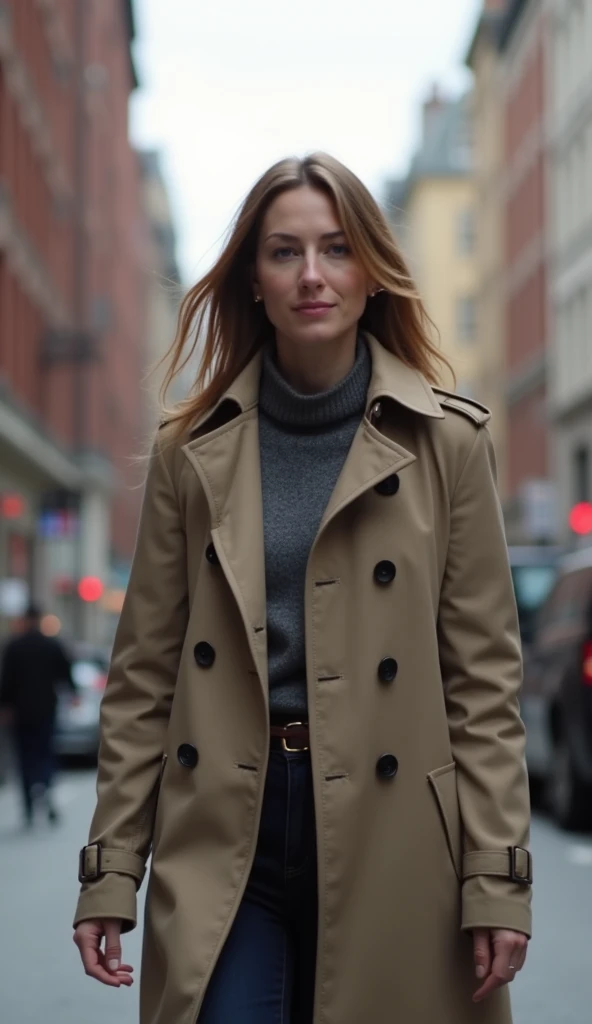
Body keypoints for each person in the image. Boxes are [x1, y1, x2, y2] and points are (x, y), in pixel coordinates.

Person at [72, 153, 532, 1024]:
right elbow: (143, 677)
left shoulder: (450, 446)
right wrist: (111, 871)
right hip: (227, 823)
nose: (312, 275)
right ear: (253, 277)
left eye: (335, 249)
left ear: (372, 272)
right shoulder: (189, 450)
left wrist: (497, 879)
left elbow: (484, 688)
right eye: (285, 252)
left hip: (395, 833)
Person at [0, 603, 75, 825]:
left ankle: (29, 807)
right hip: (46, 709)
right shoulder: (51, 645)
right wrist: (73, 692)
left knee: (25, 756)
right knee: (45, 753)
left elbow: (6, 680)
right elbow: (65, 673)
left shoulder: (15, 646)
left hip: (21, 711)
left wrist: (4, 706)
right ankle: (46, 791)